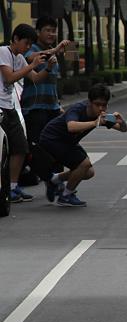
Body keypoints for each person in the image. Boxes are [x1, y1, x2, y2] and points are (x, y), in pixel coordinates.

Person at [39, 84, 127, 207]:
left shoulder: (102, 116)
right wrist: (94, 122)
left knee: (88, 172)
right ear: (90, 102)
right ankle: (66, 196)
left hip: (69, 142)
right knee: (84, 164)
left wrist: (121, 122)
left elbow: (123, 129)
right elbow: (71, 126)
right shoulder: (78, 108)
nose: (101, 108)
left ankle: (54, 180)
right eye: (97, 104)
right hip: (52, 139)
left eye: (104, 105)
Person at [0, 23, 55, 203]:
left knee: (21, 147)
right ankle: (5, 186)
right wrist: (32, 65)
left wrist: (46, 68)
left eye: (31, 44)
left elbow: (36, 79)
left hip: (10, 107)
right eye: (26, 43)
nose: (28, 47)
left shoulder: (20, 58)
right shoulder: (4, 52)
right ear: (15, 39)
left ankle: (14, 188)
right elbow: (9, 78)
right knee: (3, 150)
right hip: (0, 107)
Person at [21, 16, 71, 183]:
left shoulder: (53, 52)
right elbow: (31, 59)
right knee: (37, 147)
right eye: (47, 30)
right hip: (34, 108)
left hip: (52, 108)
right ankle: (46, 179)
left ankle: (58, 183)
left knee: (59, 144)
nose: (51, 34)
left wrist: (58, 104)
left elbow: (52, 83)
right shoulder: (31, 50)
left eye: (53, 31)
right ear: (38, 32)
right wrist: (56, 49)